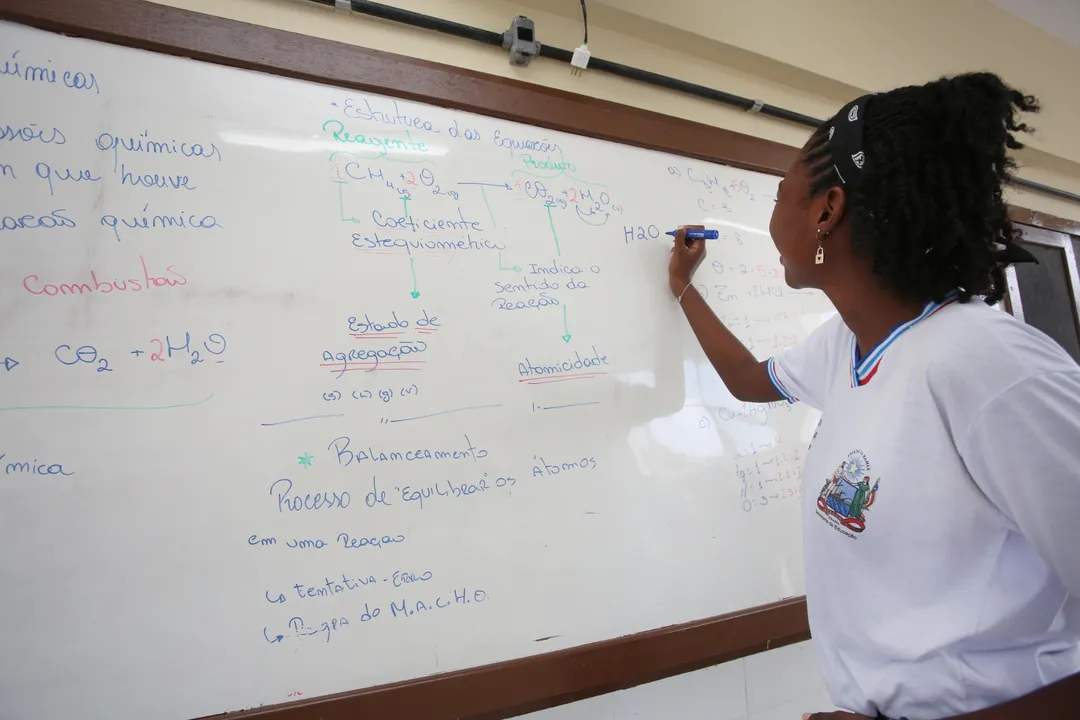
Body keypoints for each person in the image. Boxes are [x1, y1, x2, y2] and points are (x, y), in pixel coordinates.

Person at [668, 72, 1080, 720]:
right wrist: (685, 291)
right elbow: (750, 381)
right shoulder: (846, 345)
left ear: (828, 210)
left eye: (781, 196)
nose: (773, 215)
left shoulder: (986, 365)